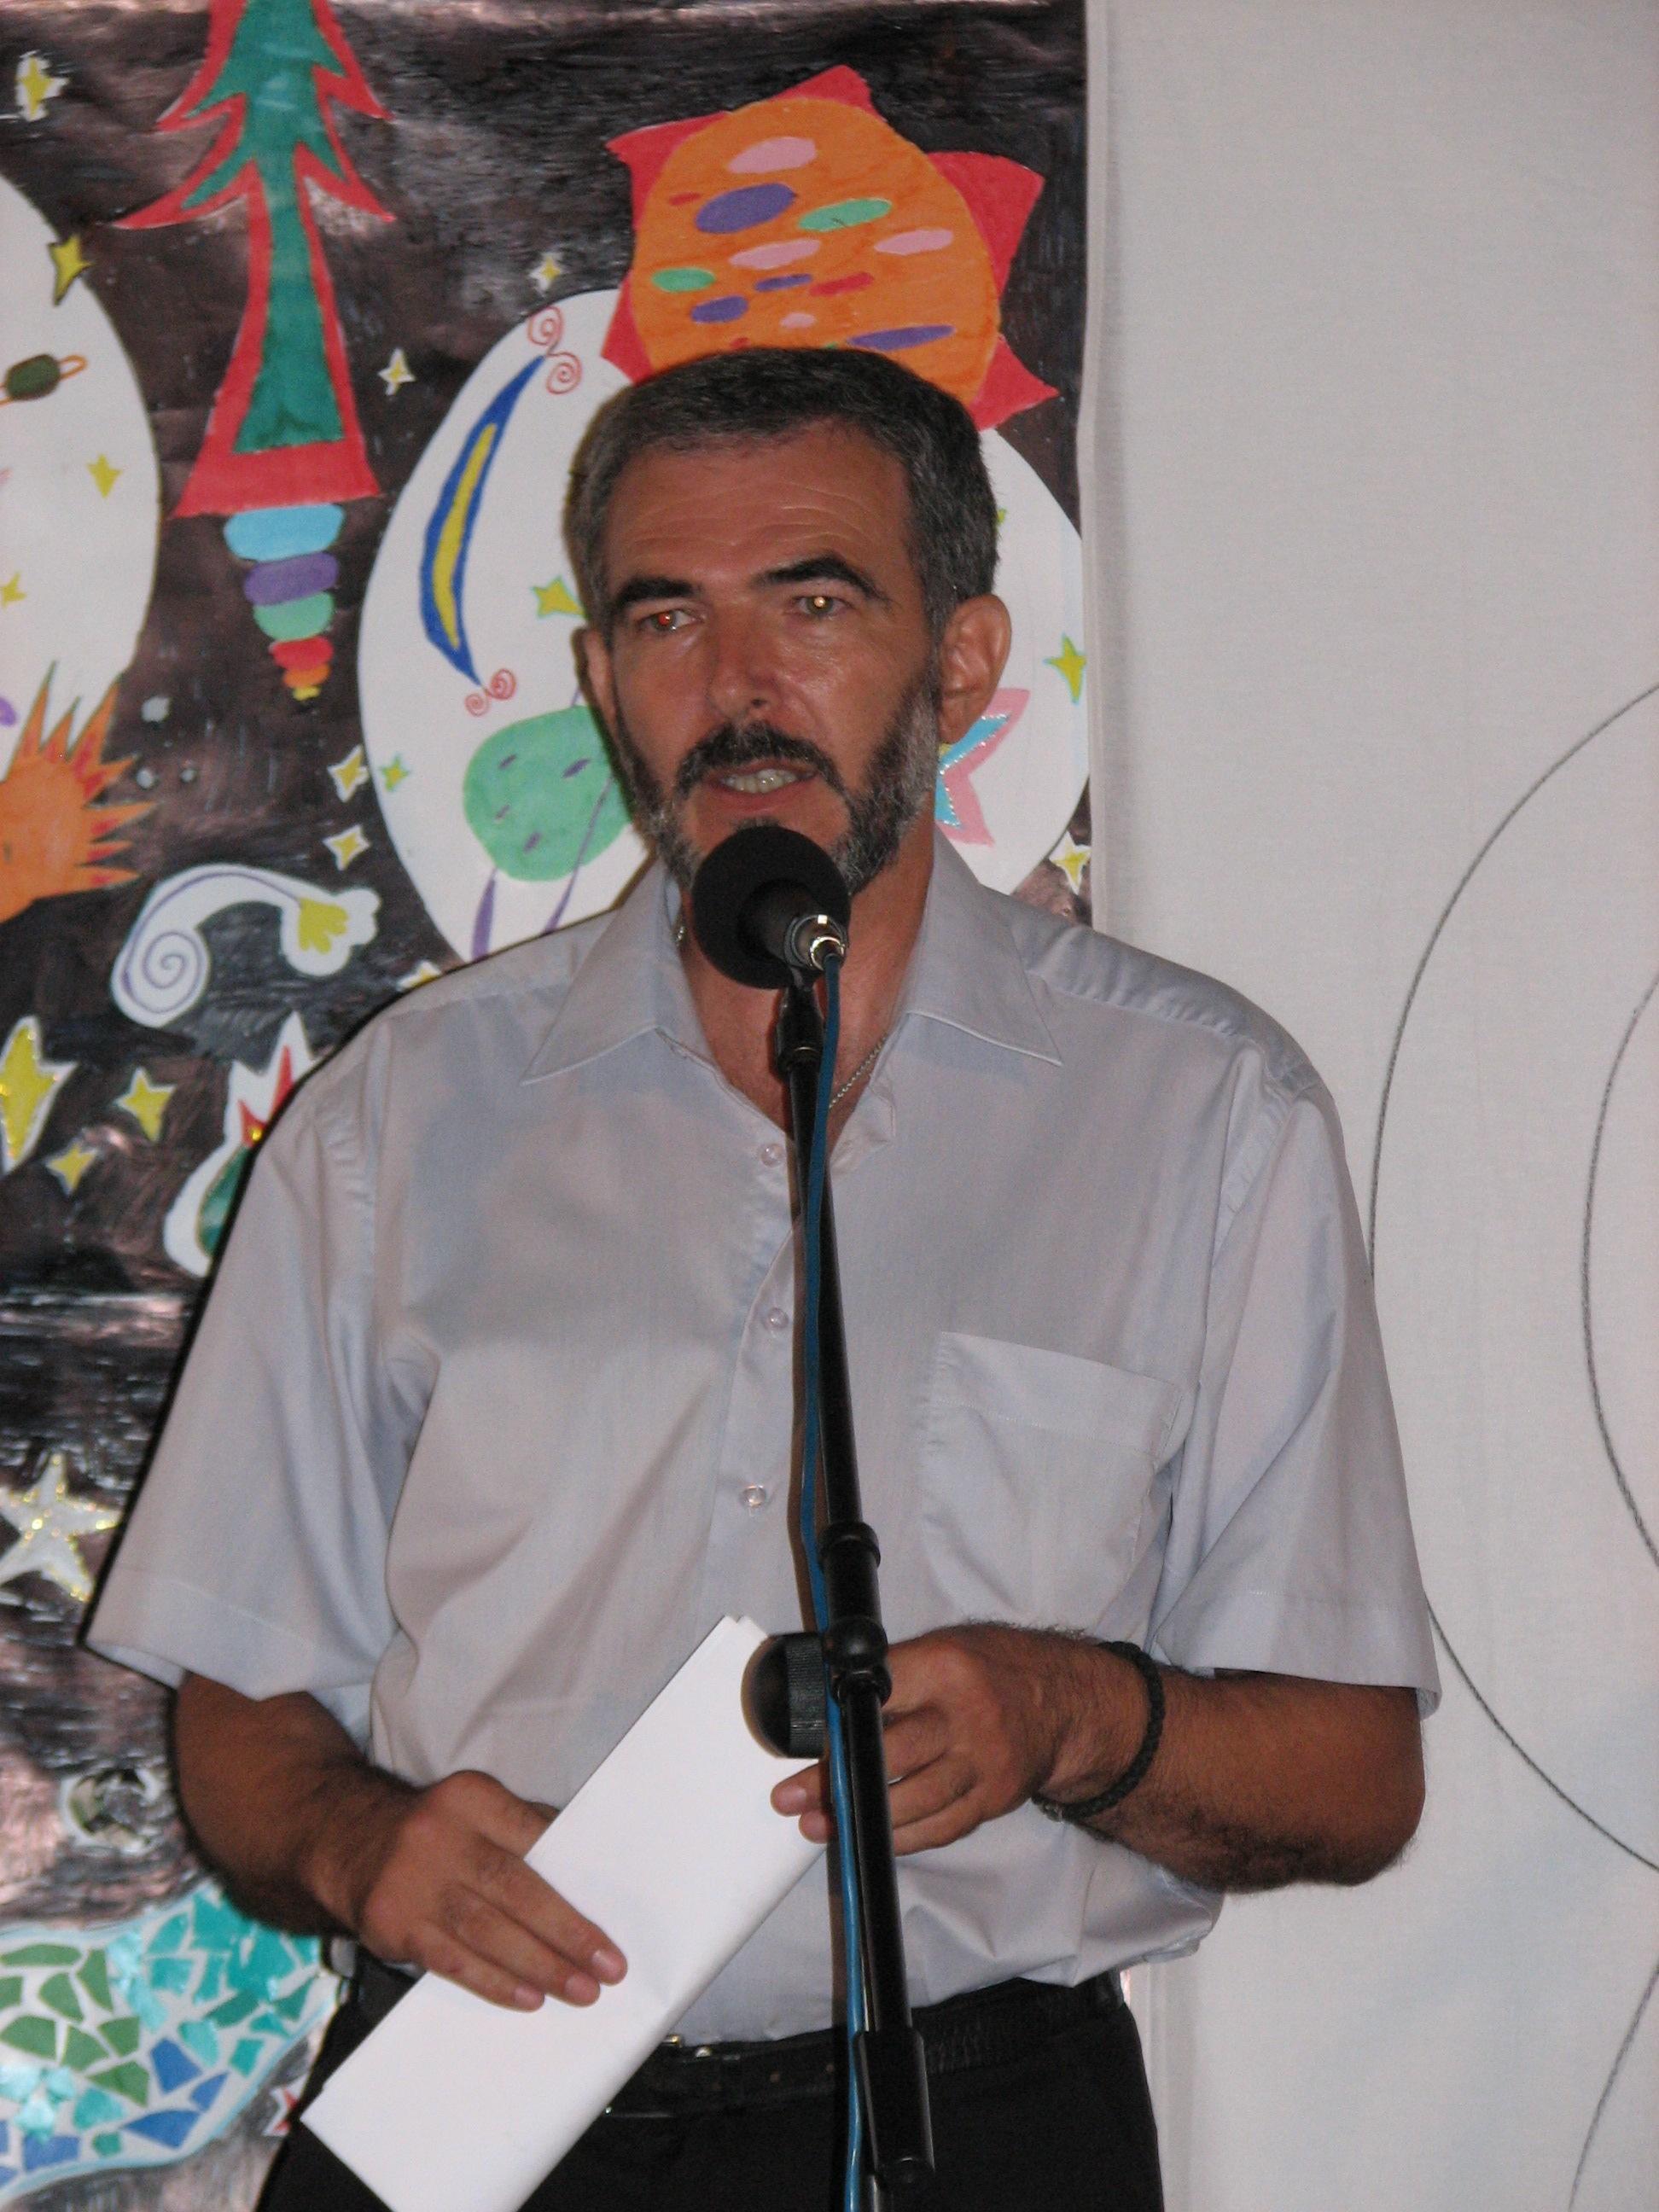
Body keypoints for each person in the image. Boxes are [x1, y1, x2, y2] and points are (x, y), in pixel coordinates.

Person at [88, 346, 1438, 2212]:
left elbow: (1355, 1774)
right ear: (600, 682)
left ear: (960, 662)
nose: (735, 689)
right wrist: (357, 1848)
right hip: (481, 2102)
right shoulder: (405, 1116)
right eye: (667, 619)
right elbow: (241, 1705)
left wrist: (1067, 1714)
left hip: (983, 2123)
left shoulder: (1201, 1113)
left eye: (813, 604)